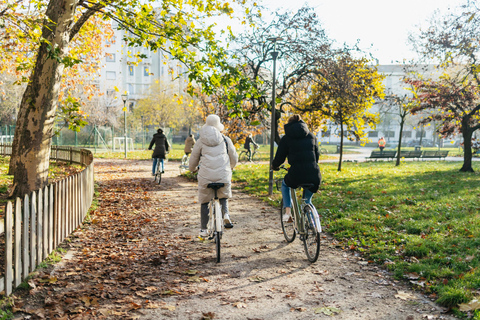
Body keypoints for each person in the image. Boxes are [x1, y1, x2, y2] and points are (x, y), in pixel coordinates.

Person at [189, 115, 238, 238]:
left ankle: (204, 230)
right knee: (223, 195)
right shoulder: (226, 140)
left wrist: (192, 169)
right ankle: (226, 214)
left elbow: (194, 159)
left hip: (206, 177)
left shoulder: (200, 141)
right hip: (223, 175)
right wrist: (231, 167)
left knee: (205, 201)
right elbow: (234, 157)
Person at [272, 114, 322, 222]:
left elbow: (279, 158)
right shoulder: (312, 136)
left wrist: (274, 166)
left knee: (285, 184)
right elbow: (316, 156)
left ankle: (288, 212)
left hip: (296, 174)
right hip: (314, 174)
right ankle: (313, 225)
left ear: (289, 125)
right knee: (307, 201)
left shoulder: (286, 139)